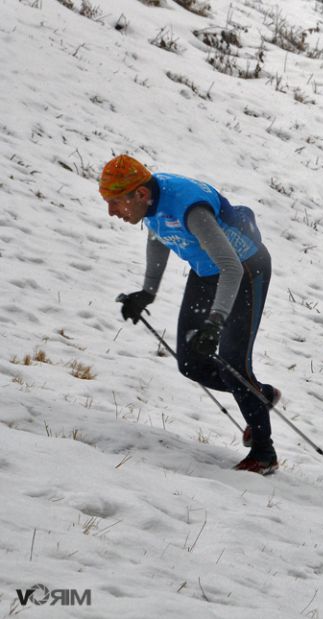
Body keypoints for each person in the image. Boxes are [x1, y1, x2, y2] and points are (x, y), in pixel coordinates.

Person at [100, 154, 280, 475]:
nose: (111, 212)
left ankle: (264, 454)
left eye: (115, 203)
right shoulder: (151, 202)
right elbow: (158, 235)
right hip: (208, 271)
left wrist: (215, 322)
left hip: (246, 271)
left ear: (139, 194)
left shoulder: (191, 210)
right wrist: (147, 292)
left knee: (233, 364)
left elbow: (232, 267)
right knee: (191, 363)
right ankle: (260, 394)